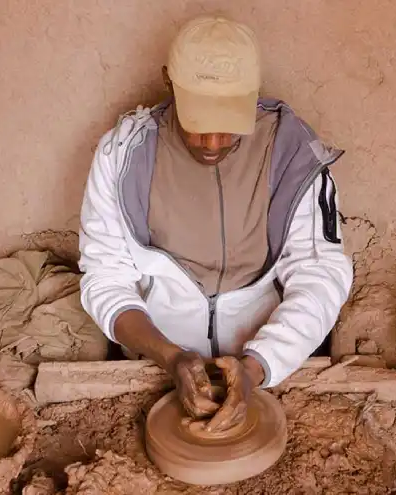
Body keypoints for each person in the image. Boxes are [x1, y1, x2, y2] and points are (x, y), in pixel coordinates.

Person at [78, 15, 353, 433]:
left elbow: (320, 275)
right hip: (157, 360)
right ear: (169, 82)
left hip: (274, 362)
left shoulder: (292, 154)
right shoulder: (122, 155)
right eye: (198, 121)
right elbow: (104, 277)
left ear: (254, 93)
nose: (213, 143)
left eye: (227, 122)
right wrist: (169, 356)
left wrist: (257, 366)